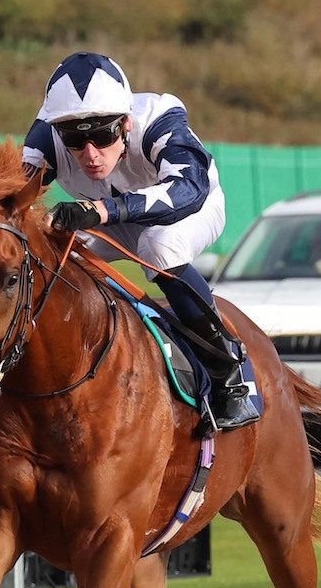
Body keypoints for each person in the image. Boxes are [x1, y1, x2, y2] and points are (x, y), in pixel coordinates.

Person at [20, 51, 261, 431]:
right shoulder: (43, 140)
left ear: (126, 122)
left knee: (158, 246)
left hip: (187, 212)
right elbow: (6, 201)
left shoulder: (159, 119)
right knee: (50, 253)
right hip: (106, 215)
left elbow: (189, 189)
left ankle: (230, 373)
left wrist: (104, 210)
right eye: (74, 140)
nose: (90, 154)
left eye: (102, 135)